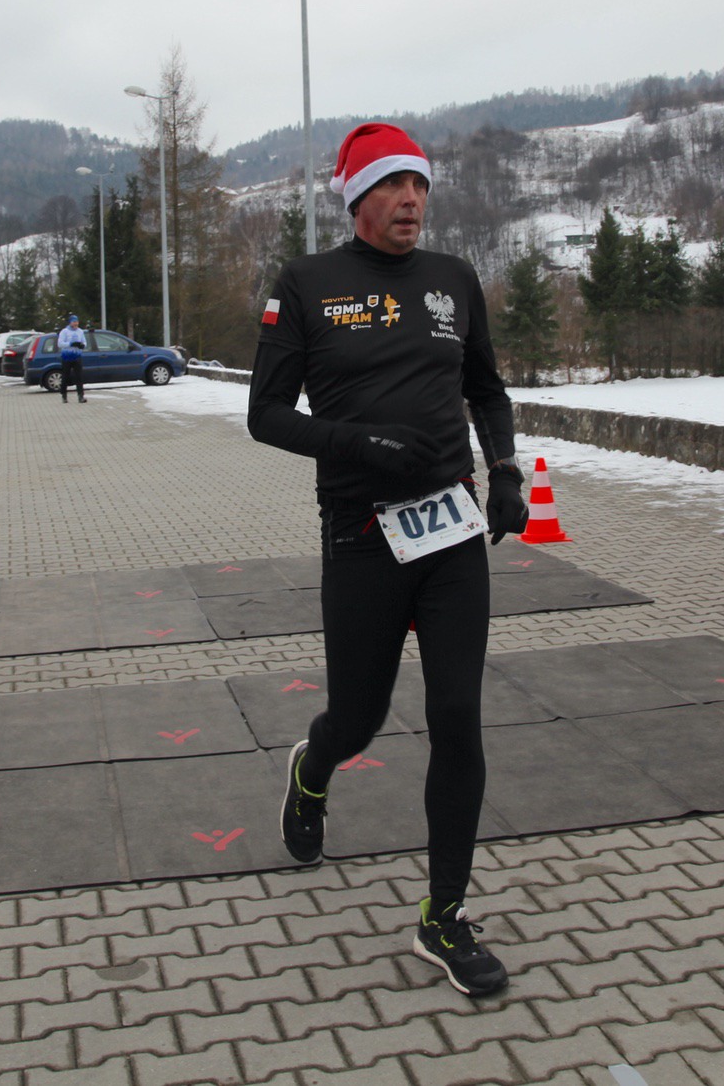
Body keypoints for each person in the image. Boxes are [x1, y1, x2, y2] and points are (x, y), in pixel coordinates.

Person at [248, 122, 529, 997]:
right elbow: (265, 414)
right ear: (357, 198)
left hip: (450, 531)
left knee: (457, 716)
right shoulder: (307, 283)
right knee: (359, 719)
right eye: (392, 185)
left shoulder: (453, 279)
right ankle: (313, 768)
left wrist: (506, 470)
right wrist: (357, 441)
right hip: (361, 534)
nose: (412, 199)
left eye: (420, 184)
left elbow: (485, 388)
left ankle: (444, 916)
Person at [57, 314, 87, 403]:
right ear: (70, 322)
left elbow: (84, 342)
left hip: (77, 357)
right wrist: (70, 344)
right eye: (74, 322)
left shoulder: (80, 331)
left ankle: (81, 396)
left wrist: (82, 345)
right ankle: (64, 395)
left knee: (79, 377)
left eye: (77, 321)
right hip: (67, 357)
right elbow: (60, 344)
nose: (76, 323)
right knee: (66, 376)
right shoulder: (64, 331)